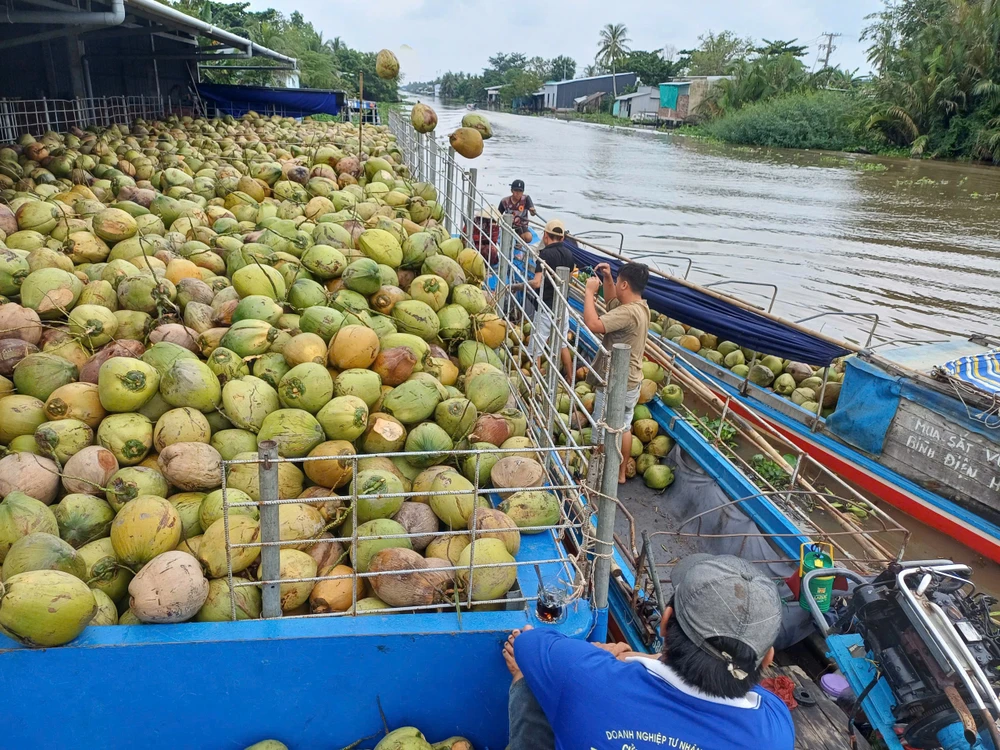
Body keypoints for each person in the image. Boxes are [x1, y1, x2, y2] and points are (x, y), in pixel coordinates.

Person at [504, 554, 795, 750]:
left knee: (526, 676)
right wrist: (629, 657)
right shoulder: (774, 731)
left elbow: (527, 643)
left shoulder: (583, 676)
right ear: (767, 659)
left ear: (665, 622)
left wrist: (616, 656)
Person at [583, 261, 650, 483]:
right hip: (633, 380)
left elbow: (593, 324)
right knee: (624, 426)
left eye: (618, 281)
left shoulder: (629, 314)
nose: (615, 284)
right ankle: (620, 474)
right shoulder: (641, 307)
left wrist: (589, 292)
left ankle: (595, 478)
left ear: (625, 285)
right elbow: (612, 304)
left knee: (602, 429)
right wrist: (609, 279)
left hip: (615, 381)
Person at [526, 219, 577, 382]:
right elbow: (567, 280)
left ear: (546, 236)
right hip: (563, 306)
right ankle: (570, 378)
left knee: (537, 344)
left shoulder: (545, 254)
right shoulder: (570, 255)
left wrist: (523, 284)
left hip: (546, 305)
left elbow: (537, 282)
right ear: (562, 238)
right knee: (562, 344)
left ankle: (535, 380)